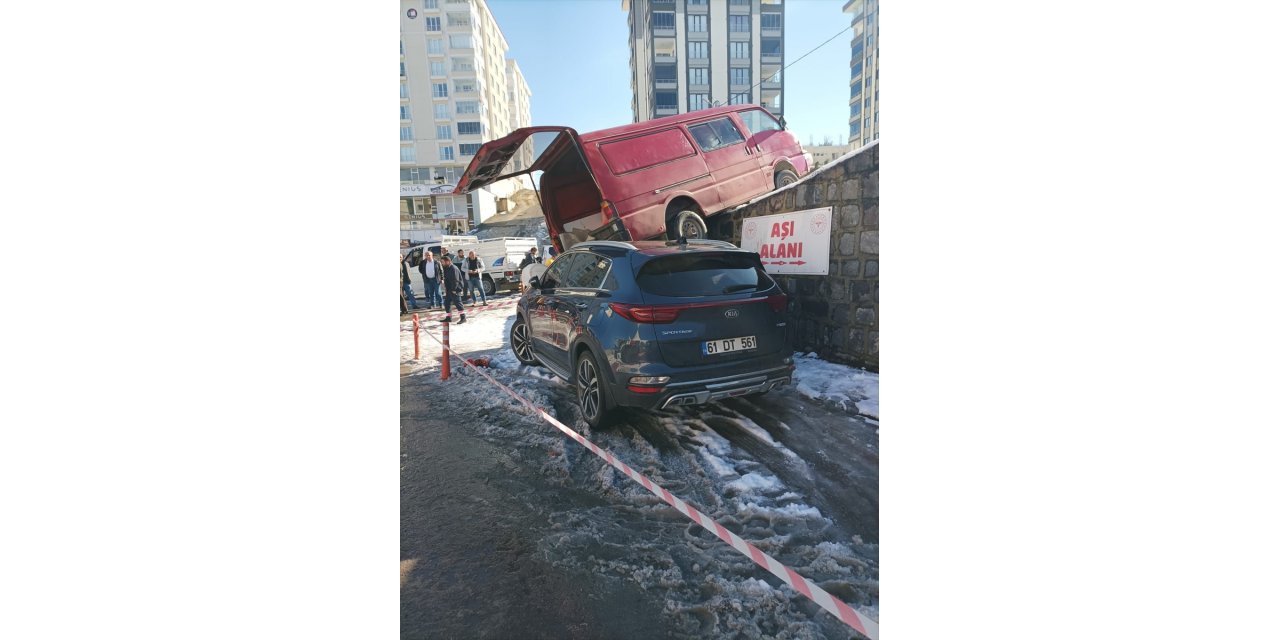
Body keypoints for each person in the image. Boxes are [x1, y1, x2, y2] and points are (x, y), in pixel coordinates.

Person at [438, 254, 467, 324]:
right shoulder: (446, 268)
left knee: (458, 304)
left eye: (443, 262)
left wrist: (454, 290)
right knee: (447, 303)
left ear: (448, 261)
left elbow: (456, 280)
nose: (442, 263)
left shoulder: (454, 268)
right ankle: (448, 317)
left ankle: (463, 318)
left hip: (455, 289)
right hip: (449, 289)